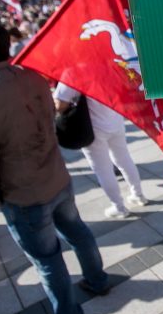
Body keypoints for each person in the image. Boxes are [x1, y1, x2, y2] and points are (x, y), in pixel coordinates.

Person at [0, 20, 110, 314]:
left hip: (23, 191)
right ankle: (98, 280)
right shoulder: (30, 75)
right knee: (77, 231)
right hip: (54, 174)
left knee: (47, 258)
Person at [54, 83, 148, 219]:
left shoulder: (72, 74)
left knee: (103, 170)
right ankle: (139, 195)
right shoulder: (108, 64)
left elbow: (60, 105)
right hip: (115, 120)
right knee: (124, 159)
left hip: (92, 129)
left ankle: (119, 207)